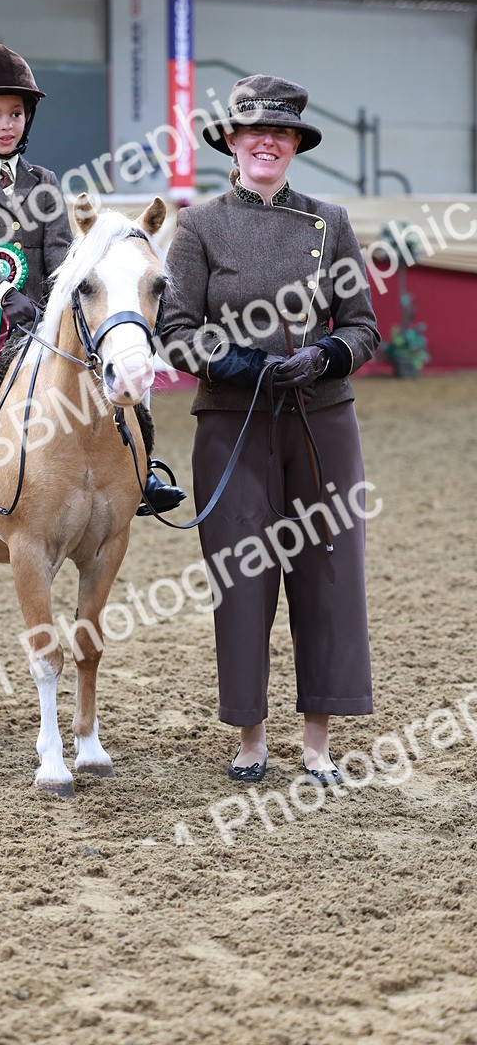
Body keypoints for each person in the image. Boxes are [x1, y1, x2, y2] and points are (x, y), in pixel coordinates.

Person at [159, 74, 380, 785]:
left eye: (280, 133)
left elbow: (363, 326)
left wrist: (322, 355)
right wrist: (240, 364)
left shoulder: (330, 222)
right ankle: (251, 737)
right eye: (254, 130)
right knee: (243, 577)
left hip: (322, 421)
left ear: (294, 145)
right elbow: (175, 330)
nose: (266, 142)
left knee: (328, 574)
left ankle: (316, 743)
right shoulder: (197, 225)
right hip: (233, 421)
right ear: (230, 140)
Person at [0, 43, 185, 532]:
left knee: (129, 367)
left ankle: (144, 471)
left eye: (16, 113)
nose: (7, 124)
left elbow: (61, 254)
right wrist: (1, 295)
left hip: (40, 315)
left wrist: (57, 300)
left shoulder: (45, 181)